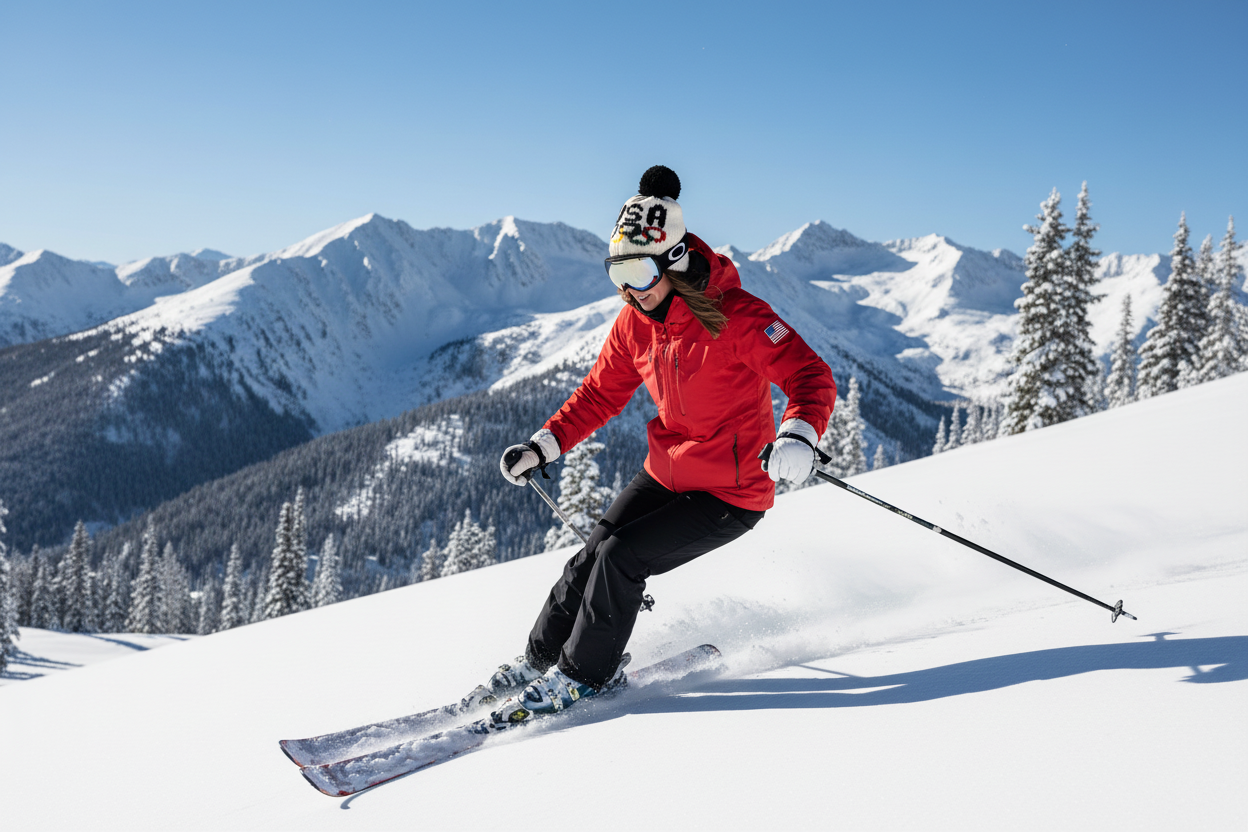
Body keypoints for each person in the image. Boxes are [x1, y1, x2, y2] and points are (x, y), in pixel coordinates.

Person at [484, 166, 836, 727]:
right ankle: (540, 661)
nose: (629, 287)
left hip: (732, 491)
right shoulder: (634, 322)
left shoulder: (734, 315)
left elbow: (810, 376)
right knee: (590, 557)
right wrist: (545, 444)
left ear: (675, 261)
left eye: (640, 271)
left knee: (622, 560)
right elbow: (600, 392)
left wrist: (798, 433)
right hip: (667, 472)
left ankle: (581, 678)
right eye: (617, 272)